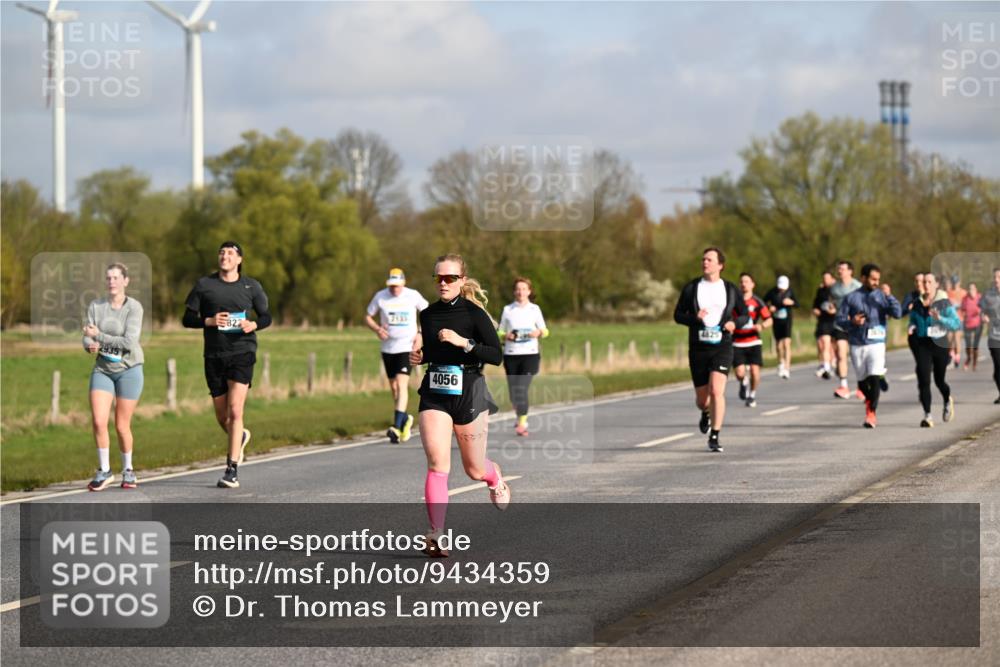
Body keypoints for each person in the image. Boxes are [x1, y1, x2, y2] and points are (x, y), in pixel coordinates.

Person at [410, 254, 508, 557]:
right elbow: (433, 351)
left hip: (470, 391)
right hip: (435, 393)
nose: (443, 283)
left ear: (461, 280)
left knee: (474, 469)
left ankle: (494, 477)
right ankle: (437, 534)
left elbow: (495, 355)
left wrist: (463, 342)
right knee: (438, 464)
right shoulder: (427, 315)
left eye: (449, 278)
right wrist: (421, 356)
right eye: (438, 278)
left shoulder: (474, 313)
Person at [183, 242, 272, 489]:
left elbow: (267, 316)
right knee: (223, 417)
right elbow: (187, 319)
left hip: (242, 352)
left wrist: (254, 325)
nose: (225, 256)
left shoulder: (251, 286)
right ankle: (240, 436)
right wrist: (209, 320)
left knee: (235, 411)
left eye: (230, 253)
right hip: (213, 356)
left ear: (239, 259)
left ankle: (231, 469)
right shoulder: (205, 285)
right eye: (222, 252)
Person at [673, 247, 750, 452]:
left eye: (709, 259)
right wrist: (694, 318)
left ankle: (715, 435)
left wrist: (735, 324)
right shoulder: (691, 288)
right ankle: (705, 412)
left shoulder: (730, 289)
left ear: (720, 265)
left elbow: (744, 315)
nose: (705, 262)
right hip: (698, 348)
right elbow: (678, 315)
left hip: (722, 345)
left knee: (717, 390)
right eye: (703, 259)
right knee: (702, 400)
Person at [83, 263, 144, 491]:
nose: (112, 282)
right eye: (108, 278)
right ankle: (105, 470)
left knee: (121, 425)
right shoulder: (96, 306)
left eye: (116, 278)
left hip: (129, 369)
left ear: (125, 281)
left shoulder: (134, 308)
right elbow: (87, 336)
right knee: (99, 421)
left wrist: (99, 336)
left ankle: (128, 470)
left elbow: (129, 343)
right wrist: (89, 345)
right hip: (103, 369)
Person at [365, 268, 429, 443]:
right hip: (388, 348)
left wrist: (420, 334)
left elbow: (427, 313)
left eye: (397, 286)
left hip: (406, 347)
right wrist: (377, 329)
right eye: (392, 286)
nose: (394, 289)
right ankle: (405, 419)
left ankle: (396, 427)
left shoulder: (413, 295)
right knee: (394, 388)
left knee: (402, 385)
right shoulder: (381, 296)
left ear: (403, 283)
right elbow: (368, 316)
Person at [835, 263, 901, 428]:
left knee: (874, 378)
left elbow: (898, 313)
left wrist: (890, 296)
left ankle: (871, 413)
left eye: (878, 279)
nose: (876, 282)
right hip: (857, 344)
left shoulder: (882, 296)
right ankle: (870, 400)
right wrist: (852, 321)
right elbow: (839, 320)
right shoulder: (851, 298)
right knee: (862, 383)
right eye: (872, 279)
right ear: (863, 278)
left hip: (877, 344)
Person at [498, 277, 550, 437]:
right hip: (511, 355)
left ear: (529, 291)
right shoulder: (508, 310)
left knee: (522, 388)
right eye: (518, 289)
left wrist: (538, 332)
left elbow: (546, 331)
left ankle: (522, 424)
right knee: (514, 393)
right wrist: (507, 336)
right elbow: (499, 332)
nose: (521, 292)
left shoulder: (535, 309)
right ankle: (519, 414)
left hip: (530, 355)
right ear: (514, 292)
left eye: (524, 289)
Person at [909, 273, 961, 427]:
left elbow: (956, 323)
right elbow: (912, 320)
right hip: (923, 344)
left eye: (929, 282)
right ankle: (928, 416)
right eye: (924, 282)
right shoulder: (917, 303)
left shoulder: (943, 303)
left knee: (939, 381)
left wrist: (940, 319)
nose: (925, 285)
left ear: (936, 285)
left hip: (940, 344)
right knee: (924, 379)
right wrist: (911, 327)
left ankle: (947, 399)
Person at [733, 272, 773, 408]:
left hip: (753, 341)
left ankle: (752, 395)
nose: (743, 284)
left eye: (746, 281)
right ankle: (743, 382)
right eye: (741, 282)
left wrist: (761, 326)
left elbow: (769, 319)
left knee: (755, 372)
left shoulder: (757, 301)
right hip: (737, 341)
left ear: (752, 284)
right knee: (739, 373)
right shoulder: (734, 301)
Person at [830, 260, 862, 399]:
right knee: (841, 355)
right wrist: (831, 308)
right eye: (839, 269)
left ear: (850, 271)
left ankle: (861, 386)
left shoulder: (858, 286)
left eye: (843, 269)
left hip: (856, 325)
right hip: (840, 324)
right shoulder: (834, 288)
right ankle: (844, 386)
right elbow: (832, 302)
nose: (840, 271)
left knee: (857, 357)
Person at [763, 275, 798, 379]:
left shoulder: (790, 292)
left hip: (787, 320)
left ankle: (787, 368)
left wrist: (791, 302)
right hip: (776, 320)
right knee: (778, 345)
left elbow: (797, 304)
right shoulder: (772, 292)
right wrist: (770, 307)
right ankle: (781, 362)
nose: (782, 289)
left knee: (787, 343)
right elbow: (763, 302)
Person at [812, 271, 837, 379]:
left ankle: (829, 365)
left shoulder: (836, 290)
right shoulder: (820, 290)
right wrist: (815, 310)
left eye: (827, 278)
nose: (825, 281)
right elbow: (815, 304)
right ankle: (826, 365)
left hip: (833, 320)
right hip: (822, 320)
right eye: (824, 278)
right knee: (822, 343)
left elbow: (842, 303)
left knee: (830, 344)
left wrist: (835, 310)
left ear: (832, 279)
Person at [982, 269, 1000, 404]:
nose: (996, 279)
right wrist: (984, 316)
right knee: (998, 368)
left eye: (999, 277)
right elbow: (983, 311)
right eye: (995, 277)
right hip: (994, 336)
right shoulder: (988, 295)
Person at [902, 272, 925, 366]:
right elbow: (901, 312)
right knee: (921, 363)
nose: (919, 283)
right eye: (916, 281)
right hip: (915, 333)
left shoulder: (933, 296)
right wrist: (908, 308)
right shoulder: (910, 296)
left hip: (930, 335)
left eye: (921, 281)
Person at [960, 282, 983, 372]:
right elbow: (962, 310)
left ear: (976, 290)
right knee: (969, 346)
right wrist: (963, 314)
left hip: (978, 324)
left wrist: (980, 311)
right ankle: (969, 358)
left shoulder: (980, 297)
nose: (971, 290)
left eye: (973, 288)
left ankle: (974, 363)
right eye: (969, 288)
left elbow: (985, 308)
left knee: (975, 347)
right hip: (967, 324)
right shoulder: (965, 299)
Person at [946, 275, 967, 368]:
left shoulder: (963, 293)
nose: (955, 284)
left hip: (960, 318)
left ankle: (957, 357)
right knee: (949, 338)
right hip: (950, 319)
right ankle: (951, 352)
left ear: (959, 282)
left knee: (957, 337)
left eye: (957, 282)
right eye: (954, 282)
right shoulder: (948, 293)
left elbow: (967, 305)